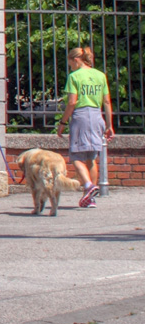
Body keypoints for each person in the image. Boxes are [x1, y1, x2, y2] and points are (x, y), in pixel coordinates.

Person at [58, 46, 113, 208]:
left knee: (76, 157)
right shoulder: (100, 75)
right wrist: (109, 125)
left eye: (70, 63)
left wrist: (62, 122)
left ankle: (88, 185)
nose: (70, 67)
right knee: (91, 157)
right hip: (97, 116)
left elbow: (72, 102)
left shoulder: (74, 76)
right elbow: (107, 102)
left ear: (76, 60)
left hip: (81, 116)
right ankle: (90, 199)